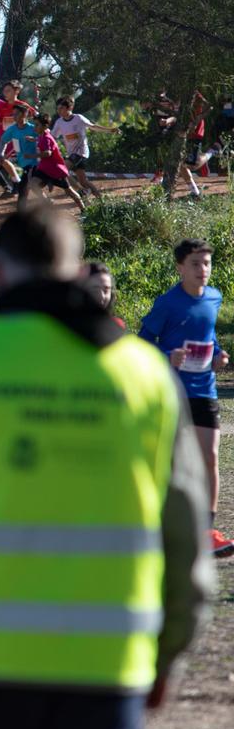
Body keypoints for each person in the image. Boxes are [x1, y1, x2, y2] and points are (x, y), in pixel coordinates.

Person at [0, 209, 215, 729]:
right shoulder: (148, 377)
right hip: (108, 670)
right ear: (78, 270)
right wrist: (167, 653)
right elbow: (186, 539)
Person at [139, 238, 234, 559]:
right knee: (174, 462)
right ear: (180, 267)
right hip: (172, 389)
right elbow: (143, 342)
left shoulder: (215, 297)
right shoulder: (167, 303)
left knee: (209, 457)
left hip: (204, 388)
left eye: (206, 263)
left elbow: (207, 334)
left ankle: (207, 530)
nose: (202, 270)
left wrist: (219, 354)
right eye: (195, 264)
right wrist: (168, 356)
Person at [52, 96, 118, 198]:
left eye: (61, 108)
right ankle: (101, 199)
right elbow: (52, 137)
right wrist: (38, 140)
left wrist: (110, 130)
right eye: (58, 108)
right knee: (83, 181)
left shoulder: (78, 118)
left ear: (69, 108)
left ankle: (81, 191)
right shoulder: (59, 122)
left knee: (62, 170)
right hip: (72, 154)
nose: (59, 111)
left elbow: (93, 126)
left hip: (81, 152)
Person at [19, 118, 85, 211]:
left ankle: (84, 209)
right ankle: (47, 203)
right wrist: (33, 139)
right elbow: (40, 139)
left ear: (44, 126)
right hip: (44, 169)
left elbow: (47, 153)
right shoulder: (42, 135)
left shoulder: (46, 138)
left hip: (55, 170)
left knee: (69, 191)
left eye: (37, 125)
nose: (35, 127)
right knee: (33, 184)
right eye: (35, 124)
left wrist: (31, 156)